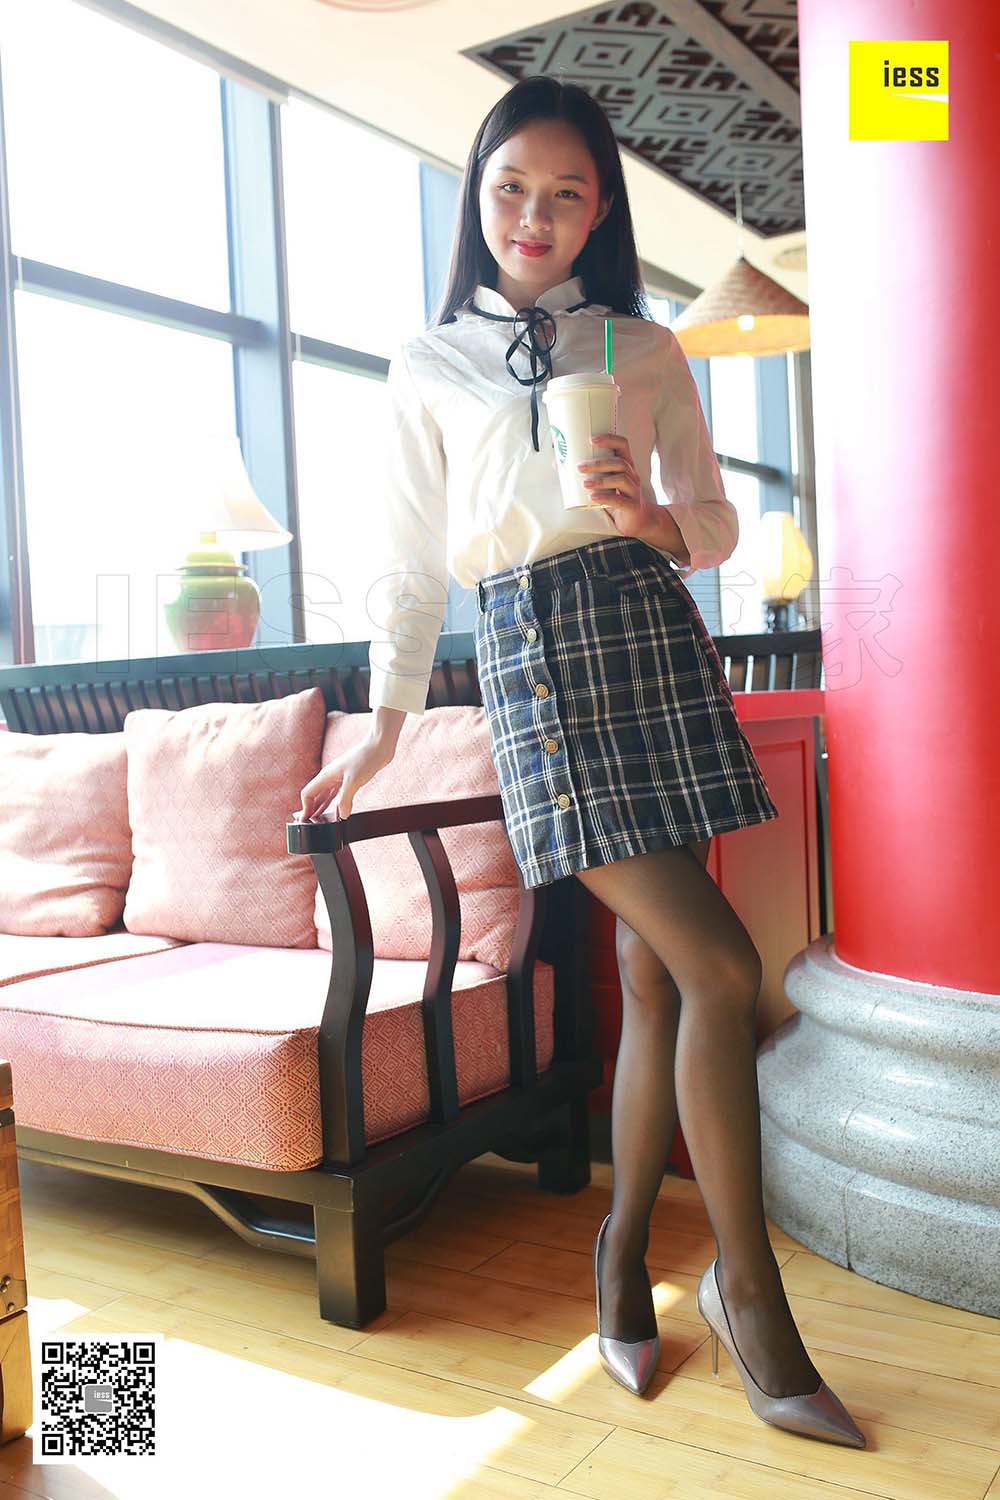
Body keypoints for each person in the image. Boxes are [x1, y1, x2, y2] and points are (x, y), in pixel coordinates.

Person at [298, 75, 865, 1449]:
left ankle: (620, 1258)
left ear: (600, 207)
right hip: (533, 649)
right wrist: (381, 722)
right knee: (722, 966)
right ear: (478, 196)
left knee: (660, 973)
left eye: (564, 193)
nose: (534, 217)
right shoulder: (429, 360)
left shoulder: (644, 345)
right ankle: (746, 1293)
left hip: (649, 632)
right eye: (511, 189)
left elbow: (716, 525)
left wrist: (653, 517)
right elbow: (412, 561)